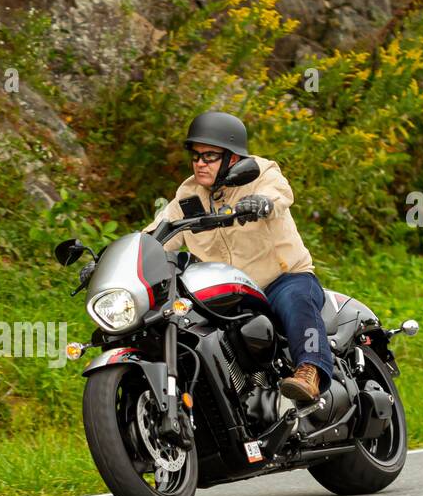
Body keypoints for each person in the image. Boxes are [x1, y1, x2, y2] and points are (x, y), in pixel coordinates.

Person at [143, 111, 333, 403]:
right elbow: (157, 233)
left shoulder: (260, 173)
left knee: (297, 299)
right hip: (228, 290)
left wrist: (262, 203)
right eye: (195, 156)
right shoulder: (188, 196)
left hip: (280, 279)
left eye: (209, 156)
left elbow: (279, 193)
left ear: (232, 158)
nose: (199, 163)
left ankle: (310, 370)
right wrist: (124, 258)